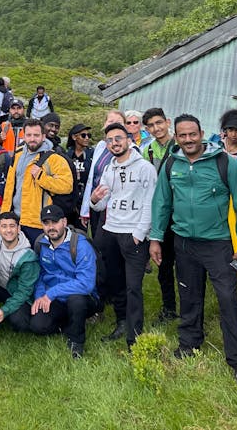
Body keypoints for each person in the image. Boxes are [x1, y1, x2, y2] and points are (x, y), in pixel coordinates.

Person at [150, 116, 237, 382]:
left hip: (218, 244)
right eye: (183, 135)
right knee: (189, 297)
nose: (188, 140)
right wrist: (155, 238)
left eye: (192, 134)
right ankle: (189, 345)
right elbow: (161, 202)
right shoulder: (172, 163)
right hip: (184, 243)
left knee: (228, 301)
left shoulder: (225, 163)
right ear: (176, 136)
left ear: (202, 133)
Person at [89, 123, 156, 348]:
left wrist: (139, 233)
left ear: (128, 139)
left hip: (133, 234)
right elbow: (101, 205)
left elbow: (150, 202)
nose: (114, 143)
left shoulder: (145, 167)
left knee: (133, 286)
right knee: (115, 282)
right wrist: (94, 200)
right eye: (110, 140)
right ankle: (121, 322)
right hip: (111, 231)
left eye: (118, 138)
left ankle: (134, 336)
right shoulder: (109, 168)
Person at [29, 205, 99, 358]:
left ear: (64, 222)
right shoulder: (41, 244)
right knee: (37, 326)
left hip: (83, 297)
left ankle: (76, 341)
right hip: (54, 299)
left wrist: (52, 293)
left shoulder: (80, 245)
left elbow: (86, 284)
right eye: (46, 223)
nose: (51, 227)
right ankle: (71, 322)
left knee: (76, 301)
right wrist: (40, 296)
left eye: (55, 222)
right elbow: (39, 274)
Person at [1, 119, 73, 245]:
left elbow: (67, 186)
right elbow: (9, 187)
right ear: (24, 135)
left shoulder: (54, 159)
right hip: (15, 220)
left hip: (39, 222)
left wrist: (41, 177)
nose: (32, 139)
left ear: (43, 136)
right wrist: (4, 215)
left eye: (36, 135)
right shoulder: (17, 154)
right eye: (28, 135)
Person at [141, 108, 177, 321]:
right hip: (161, 212)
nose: (156, 128)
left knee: (185, 264)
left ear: (167, 121)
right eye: (151, 126)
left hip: (181, 210)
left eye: (159, 123)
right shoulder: (148, 151)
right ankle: (169, 307)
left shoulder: (181, 145)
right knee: (164, 264)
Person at [0, 213, 39, 332]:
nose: (8, 230)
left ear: (19, 228)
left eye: (12, 226)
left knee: (19, 323)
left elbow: (24, 292)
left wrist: (5, 310)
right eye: (4, 226)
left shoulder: (28, 257)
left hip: (16, 292)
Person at [79, 110, 127, 238]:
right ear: (105, 124)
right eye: (111, 121)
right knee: (97, 243)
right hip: (97, 202)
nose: (114, 125)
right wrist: (86, 209)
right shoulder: (100, 146)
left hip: (116, 207)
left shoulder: (131, 149)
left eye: (118, 122)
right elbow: (91, 178)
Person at [65, 123, 92, 227]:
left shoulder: (92, 154)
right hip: (70, 199)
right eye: (83, 135)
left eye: (88, 135)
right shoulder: (67, 155)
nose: (87, 138)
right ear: (74, 137)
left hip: (85, 199)